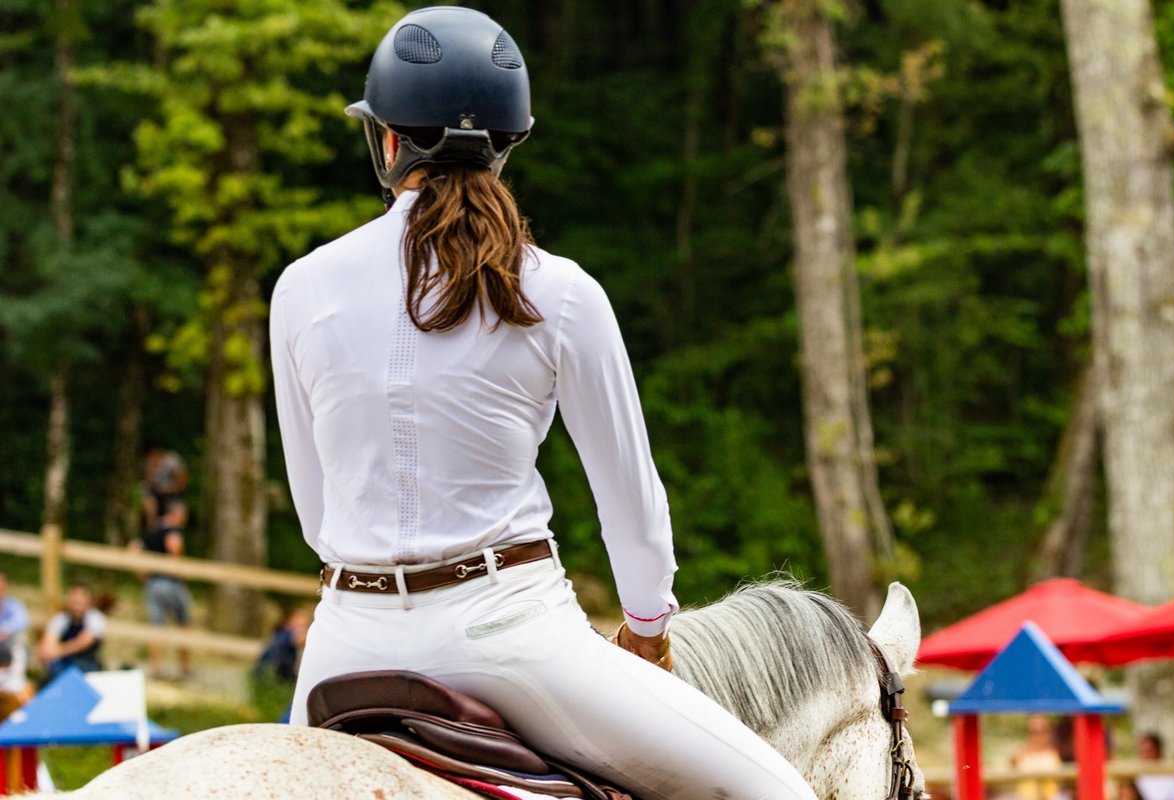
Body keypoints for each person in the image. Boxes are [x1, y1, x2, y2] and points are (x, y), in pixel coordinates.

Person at [270, 8, 816, 798]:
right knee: (781, 791)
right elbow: (630, 503)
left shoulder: (300, 288)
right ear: (508, 145)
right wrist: (648, 629)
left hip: (346, 645)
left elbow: (317, 514)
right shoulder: (559, 291)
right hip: (508, 636)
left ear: (387, 144)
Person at [132, 445, 194, 679]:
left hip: (153, 583)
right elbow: (174, 547)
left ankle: (156, 668)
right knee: (183, 624)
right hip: (171, 583)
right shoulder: (172, 529)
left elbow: (134, 549)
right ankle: (185, 668)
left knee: (156, 627)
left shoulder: (152, 530)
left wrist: (143, 574)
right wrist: (181, 572)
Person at [37, 584, 107, 679]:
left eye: (79, 601)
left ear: (88, 602)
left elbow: (84, 641)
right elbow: (49, 640)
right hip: (63, 663)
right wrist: (46, 650)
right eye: (73, 599)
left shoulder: (95, 618)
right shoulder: (61, 618)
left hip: (87, 665)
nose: (76, 602)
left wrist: (57, 651)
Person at [1010, 714, 1063, 800]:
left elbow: (1059, 781)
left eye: (1042, 730)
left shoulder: (1053, 754)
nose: (1038, 736)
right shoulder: (1020, 754)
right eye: (1034, 731)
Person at [1133, 732, 1174, 800]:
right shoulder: (1134, 777)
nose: (1145, 755)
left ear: (1159, 751)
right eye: (1142, 751)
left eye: (1149, 751)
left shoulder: (1172, 776)